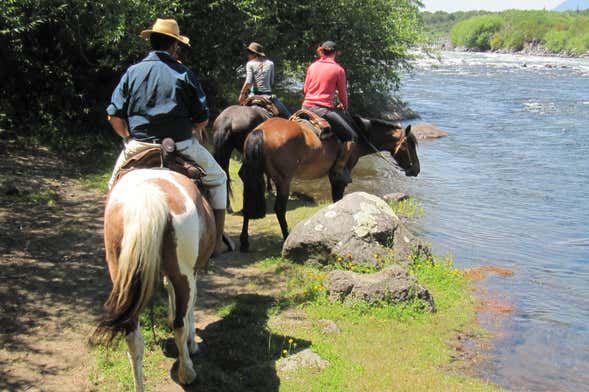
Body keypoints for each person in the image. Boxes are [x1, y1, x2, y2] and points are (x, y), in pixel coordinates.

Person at [106, 18, 231, 255]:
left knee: (113, 186)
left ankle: (113, 242)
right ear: (174, 46)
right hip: (181, 145)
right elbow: (202, 118)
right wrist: (193, 125)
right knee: (218, 178)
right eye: (177, 46)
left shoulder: (132, 72)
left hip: (138, 145)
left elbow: (113, 115)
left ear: (152, 43)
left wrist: (127, 137)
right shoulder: (184, 73)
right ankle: (215, 244)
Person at [302, 40, 357, 184]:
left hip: (305, 107)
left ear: (322, 51)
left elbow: (306, 90)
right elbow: (343, 94)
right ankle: (338, 169)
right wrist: (343, 106)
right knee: (351, 136)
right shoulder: (338, 70)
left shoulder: (312, 66)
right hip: (322, 110)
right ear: (335, 53)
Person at [238, 42, 290, 118]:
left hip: (253, 95)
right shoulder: (270, 64)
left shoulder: (250, 64)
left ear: (255, 54)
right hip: (267, 96)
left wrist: (242, 94)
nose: (248, 55)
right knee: (288, 117)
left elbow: (248, 81)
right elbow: (271, 82)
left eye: (249, 53)